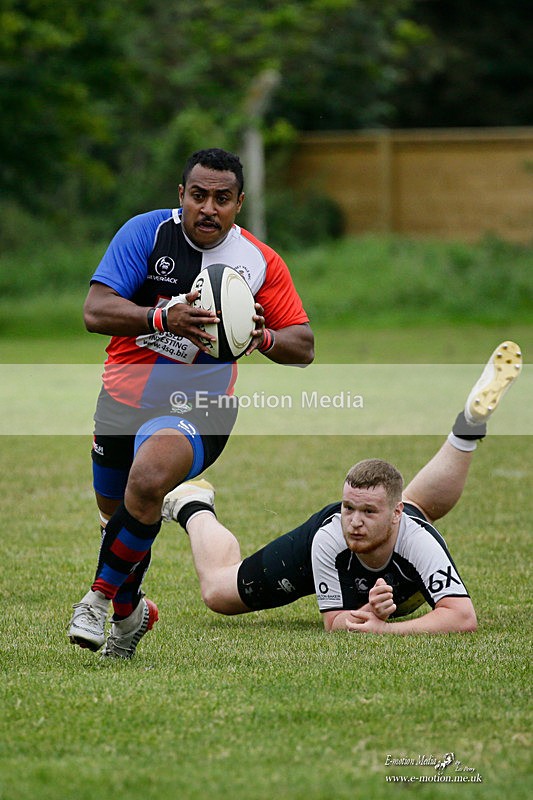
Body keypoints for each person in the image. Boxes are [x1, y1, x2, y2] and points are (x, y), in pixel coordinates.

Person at [68, 147, 314, 658]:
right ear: (181, 196)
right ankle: (131, 614)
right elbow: (95, 310)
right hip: (121, 399)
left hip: (201, 406)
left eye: (222, 198)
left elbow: (303, 344)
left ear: (239, 203)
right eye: (198, 195)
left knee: (149, 479)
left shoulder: (258, 262)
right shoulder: (146, 234)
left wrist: (261, 339)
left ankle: (97, 598)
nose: (209, 208)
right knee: (122, 515)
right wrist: (162, 318)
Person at [162, 340, 522, 636]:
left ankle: (469, 426)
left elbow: (462, 617)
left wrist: (383, 627)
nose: (353, 521)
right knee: (217, 592)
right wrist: (370, 617)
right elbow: (335, 623)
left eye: (367, 512)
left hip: (395, 534)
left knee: (414, 504)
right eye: (349, 508)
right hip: (316, 555)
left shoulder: (417, 537)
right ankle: (193, 504)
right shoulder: (330, 537)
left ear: (398, 517)